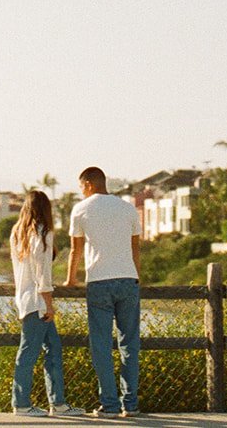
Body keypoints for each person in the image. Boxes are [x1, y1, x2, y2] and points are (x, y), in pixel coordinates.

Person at [64, 166, 142, 418]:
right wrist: (137, 277)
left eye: (80, 187)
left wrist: (70, 280)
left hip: (98, 280)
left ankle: (109, 404)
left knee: (101, 344)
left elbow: (75, 250)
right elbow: (135, 249)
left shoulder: (81, 209)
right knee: (129, 343)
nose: (81, 192)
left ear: (87, 184)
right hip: (128, 280)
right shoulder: (128, 208)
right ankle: (130, 404)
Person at [10, 189, 84, 417]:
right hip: (38, 302)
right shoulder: (43, 233)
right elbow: (43, 275)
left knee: (53, 349)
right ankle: (21, 404)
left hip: (25, 299)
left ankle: (58, 403)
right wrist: (49, 304)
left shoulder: (17, 232)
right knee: (29, 353)